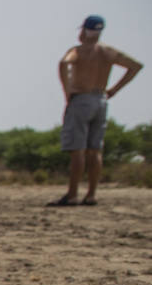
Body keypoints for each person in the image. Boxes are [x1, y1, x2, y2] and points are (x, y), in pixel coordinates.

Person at [50, 15, 142, 207]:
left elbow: (64, 63)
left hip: (81, 99)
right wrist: (114, 90)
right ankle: (91, 195)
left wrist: (68, 91)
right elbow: (135, 66)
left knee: (78, 150)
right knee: (95, 150)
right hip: (101, 99)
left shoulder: (78, 51)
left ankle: (73, 194)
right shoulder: (108, 52)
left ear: (84, 31)